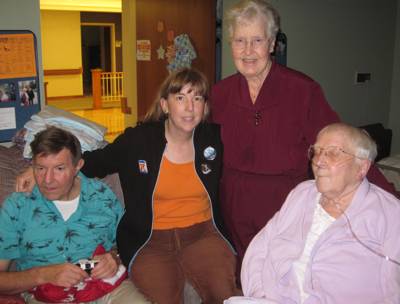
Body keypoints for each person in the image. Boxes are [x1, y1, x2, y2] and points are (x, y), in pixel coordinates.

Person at [17, 68, 238, 303]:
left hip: (203, 235)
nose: (190, 107)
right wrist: (38, 167)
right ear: (165, 105)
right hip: (151, 241)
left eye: (197, 98)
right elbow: (94, 162)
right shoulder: (139, 141)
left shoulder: (212, 139)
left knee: (224, 295)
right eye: (180, 98)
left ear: (205, 107)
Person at [210, 0, 395, 267]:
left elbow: (344, 148)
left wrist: (390, 197)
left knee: (284, 276)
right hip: (233, 207)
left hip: (286, 207)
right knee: (246, 275)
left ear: (272, 44)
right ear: (231, 45)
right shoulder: (220, 94)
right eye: (240, 41)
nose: (248, 51)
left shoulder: (302, 90)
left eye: (257, 40)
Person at [224, 122, 400, 303]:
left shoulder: (389, 214)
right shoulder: (302, 193)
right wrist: (258, 294)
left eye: (333, 153)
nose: (319, 162)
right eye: (316, 152)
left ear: (362, 167)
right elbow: (260, 247)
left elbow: (392, 289)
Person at [0, 126, 149, 303]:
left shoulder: (103, 198)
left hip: (103, 287)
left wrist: (114, 259)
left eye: (59, 168)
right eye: (40, 168)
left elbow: (125, 248)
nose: (48, 180)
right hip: (45, 292)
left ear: (77, 166)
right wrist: (42, 275)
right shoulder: (17, 206)